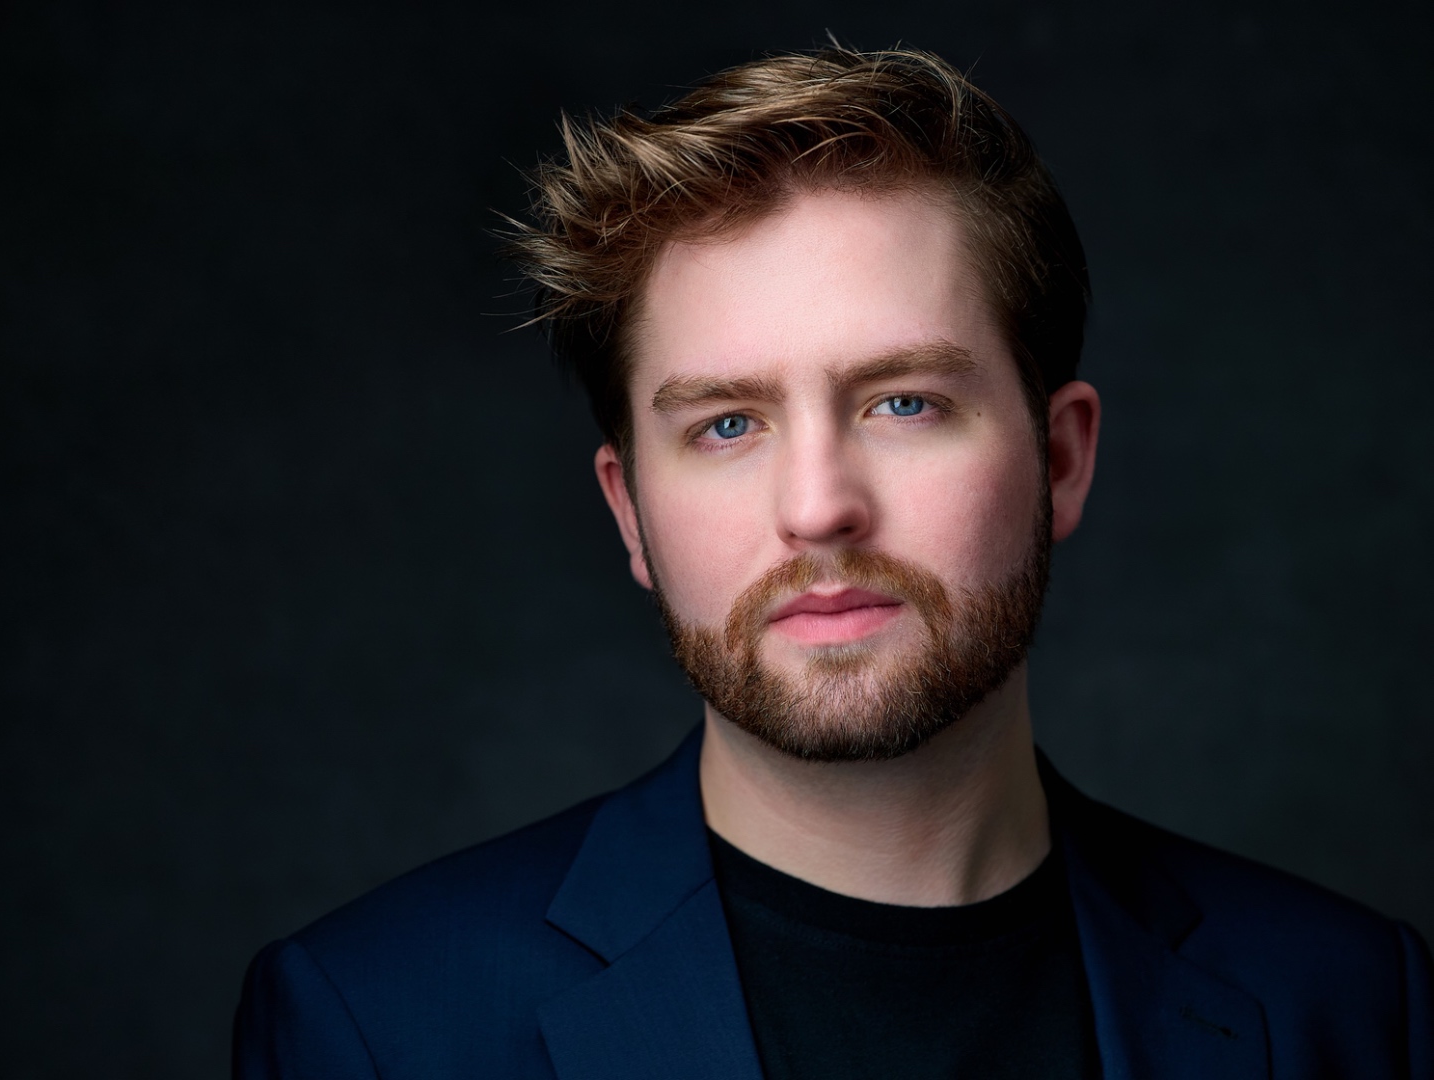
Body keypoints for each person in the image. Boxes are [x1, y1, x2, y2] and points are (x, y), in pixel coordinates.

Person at [233, 46, 1431, 1078]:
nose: (818, 509)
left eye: (904, 403)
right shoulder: (378, 1028)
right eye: (727, 425)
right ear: (631, 514)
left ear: (1062, 461)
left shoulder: (1354, 1004)